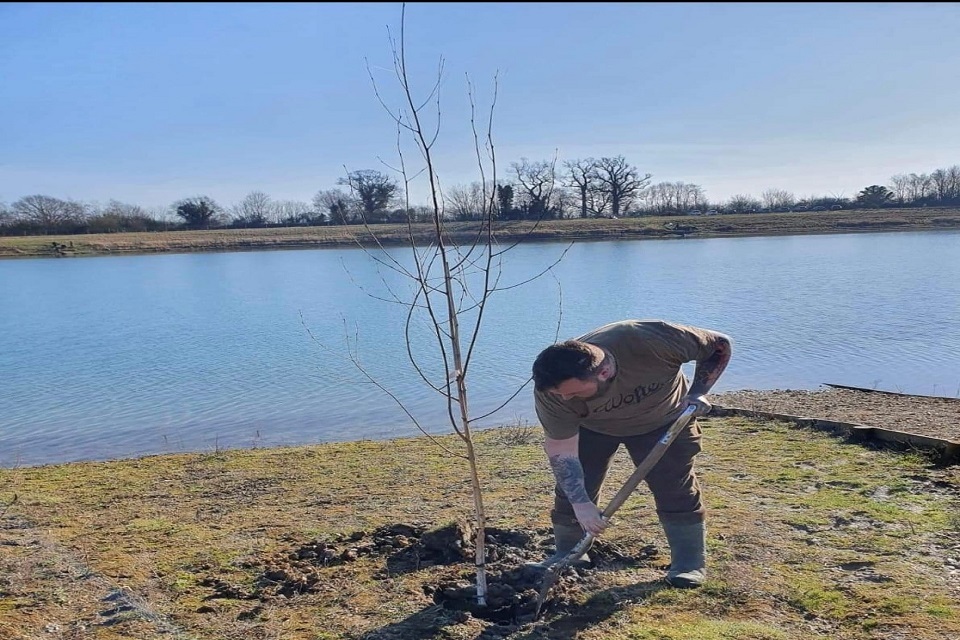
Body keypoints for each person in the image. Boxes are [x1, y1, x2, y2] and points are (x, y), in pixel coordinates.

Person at [529, 319, 733, 588]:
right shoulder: (554, 393)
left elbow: (718, 345)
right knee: (573, 488)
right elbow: (561, 450)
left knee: (674, 486)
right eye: (561, 395)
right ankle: (570, 553)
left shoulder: (647, 339)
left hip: (664, 419)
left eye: (574, 393)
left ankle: (688, 564)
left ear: (602, 372)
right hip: (593, 428)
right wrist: (581, 504)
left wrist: (699, 391)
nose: (565, 399)